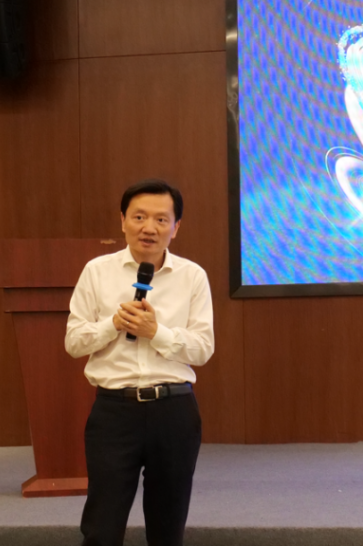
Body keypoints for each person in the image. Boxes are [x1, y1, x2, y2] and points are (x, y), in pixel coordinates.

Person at [65, 179, 214, 546]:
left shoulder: (193, 276)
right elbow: (74, 342)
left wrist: (155, 332)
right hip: (114, 412)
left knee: (167, 527)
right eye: (139, 217)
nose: (149, 228)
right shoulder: (97, 271)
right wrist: (113, 324)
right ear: (123, 221)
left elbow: (202, 349)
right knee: (101, 527)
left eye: (162, 220)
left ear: (176, 227)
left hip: (174, 410)